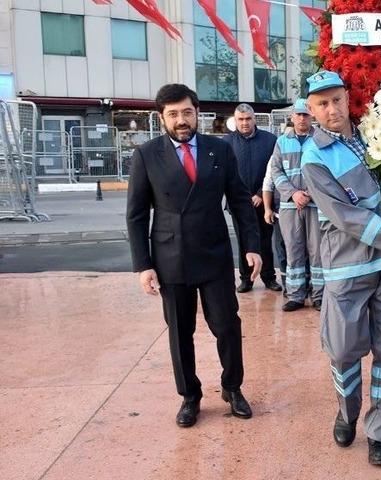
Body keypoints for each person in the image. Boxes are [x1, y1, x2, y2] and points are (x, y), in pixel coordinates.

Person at [300, 70, 381, 466]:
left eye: (337, 100)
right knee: (342, 351)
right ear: (311, 110)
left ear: (347, 98)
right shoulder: (315, 157)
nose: (332, 109)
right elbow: (347, 217)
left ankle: (380, 433)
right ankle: (347, 411)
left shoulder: (378, 135)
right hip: (349, 268)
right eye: (322, 103)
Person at [126, 84, 261, 428]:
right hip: (171, 258)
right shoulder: (146, 155)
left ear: (196, 113)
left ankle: (232, 387)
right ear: (161, 118)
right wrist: (143, 265)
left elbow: (240, 200)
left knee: (228, 326)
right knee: (179, 332)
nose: (181, 120)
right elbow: (137, 215)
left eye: (187, 112)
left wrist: (251, 245)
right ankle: (190, 396)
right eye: (173, 114)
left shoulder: (220, 150)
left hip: (214, 254)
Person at [269, 99, 324, 312]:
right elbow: (276, 171)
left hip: (315, 205)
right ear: (292, 117)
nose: (302, 118)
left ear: (312, 116)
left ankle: (319, 295)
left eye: (306, 114)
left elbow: (325, 170)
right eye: (298, 115)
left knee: (317, 251)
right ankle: (295, 295)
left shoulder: (320, 139)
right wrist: (293, 194)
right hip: (290, 207)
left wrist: (310, 193)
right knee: (293, 251)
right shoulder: (282, 141)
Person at [225, 103, 281, 294]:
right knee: (243, 241)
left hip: (263, 201)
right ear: (235, 121)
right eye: (240, 119)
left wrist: (259, 193)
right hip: (238, 204)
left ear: (254, 119)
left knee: (265, 240)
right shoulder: (227, 143)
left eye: (248, 119)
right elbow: (225, 174)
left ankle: (269, 277)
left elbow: (274, 170)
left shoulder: (270, 140)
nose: (245, 123)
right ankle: (246, 280)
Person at [262, 162, 288, 298]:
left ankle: (310, 288)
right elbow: (268, 183)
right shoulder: (276, 156)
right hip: (281, 213)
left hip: (306, 212)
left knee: (308, 252)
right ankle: (288, 287)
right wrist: (267, 209)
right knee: (282, 251)